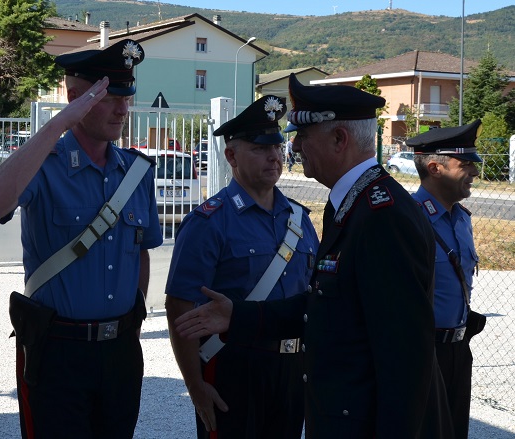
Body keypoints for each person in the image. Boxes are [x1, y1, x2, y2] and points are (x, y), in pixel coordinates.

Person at [172, 73, 453, 438]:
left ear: (339, 139)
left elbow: (405, 356)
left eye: (303, 136)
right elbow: (326, 304)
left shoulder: (381, 216)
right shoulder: (354, 207)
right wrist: (236, 315)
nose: (294, 149)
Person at [0, 39, 163, 438]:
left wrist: (133, 321)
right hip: (58, 350)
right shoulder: (44, 166)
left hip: (120, 351)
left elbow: (141, 254)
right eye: (111, 96)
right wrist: (58, 124)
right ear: (75, 97)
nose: (123, 108)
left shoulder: (136, 172)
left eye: (126, 96)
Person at [165, 95, 318, 439]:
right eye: (259, 148)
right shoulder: (209, 222)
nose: (274, 156)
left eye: (277, 147)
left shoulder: (300, 220)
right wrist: (195, 387)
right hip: (234, 369)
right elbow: (180, 308)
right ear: (231, 156)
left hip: (293, 370)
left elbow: (315, 294)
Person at [408, 120, 486, 439]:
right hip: (423, 354)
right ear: (436, 168)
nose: (475, 172)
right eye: (465, 164)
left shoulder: (461, 219)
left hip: (458, 352)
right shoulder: (408, 219)